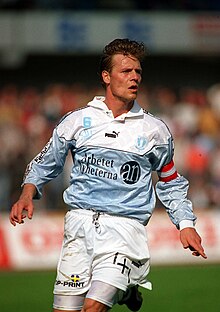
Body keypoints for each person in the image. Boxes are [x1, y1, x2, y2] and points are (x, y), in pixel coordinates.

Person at [9, 38, 207, 312]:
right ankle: (126, 291)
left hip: (125, 229)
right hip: (78, 227)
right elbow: (46, 161)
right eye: (126, 71)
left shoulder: (155, 130)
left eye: (137, 72)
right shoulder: (77, 120)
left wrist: (185, 223)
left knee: (93, 307)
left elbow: (171, 181)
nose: (134, 77)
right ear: (106, 76)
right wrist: (27, 192)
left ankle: (121, 284)